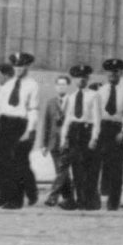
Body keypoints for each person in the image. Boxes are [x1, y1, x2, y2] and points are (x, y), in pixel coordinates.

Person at [0, 53, 40, 209]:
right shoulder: (7, 85)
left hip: (20, 124)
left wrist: (29, 130)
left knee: (15, 163)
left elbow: (33, 109)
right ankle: (1, 196)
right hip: (4, 123)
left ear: (27, 67)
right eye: (16, 66)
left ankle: (16, 200)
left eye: (22, 66)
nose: (19, 69)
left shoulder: (32, 85)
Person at [59, 64, 100, 210]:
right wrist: (63, 139)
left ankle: (90, 201)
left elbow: (97, 119)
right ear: (74, 79)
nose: (81, 80)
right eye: (78, 77)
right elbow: (67, 120)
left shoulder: (94, 95)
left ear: (88, 78)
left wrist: (94, 138)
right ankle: (80, 200)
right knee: (76, 168)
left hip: (87, 131)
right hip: (74, 132)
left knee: (88, 168)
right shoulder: (70, 97)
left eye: (84, 77)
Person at [93, 58, 123, 211]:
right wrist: (95, 134)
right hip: (103, 129)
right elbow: (96, 115)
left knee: (117, 168)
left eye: (116, 72)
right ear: (106, 73)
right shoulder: (100, 92)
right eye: (110, 72)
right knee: (96, 166)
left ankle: (113, 203)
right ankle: (94, 201)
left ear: (121, 73)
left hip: (118, 130)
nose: (113, 74)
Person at [41, 72, 74, 208]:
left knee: (62, 169)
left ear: (67, 87)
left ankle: (52, 196)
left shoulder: (72, 101)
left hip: (67, 142)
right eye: (59, 84)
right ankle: (69, 198)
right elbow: (46, 124)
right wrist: (44, 144)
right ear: (55, 87)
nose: (61, 87)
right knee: (60, 171)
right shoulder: (50, 103)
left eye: (64, 85)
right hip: (53, 143)